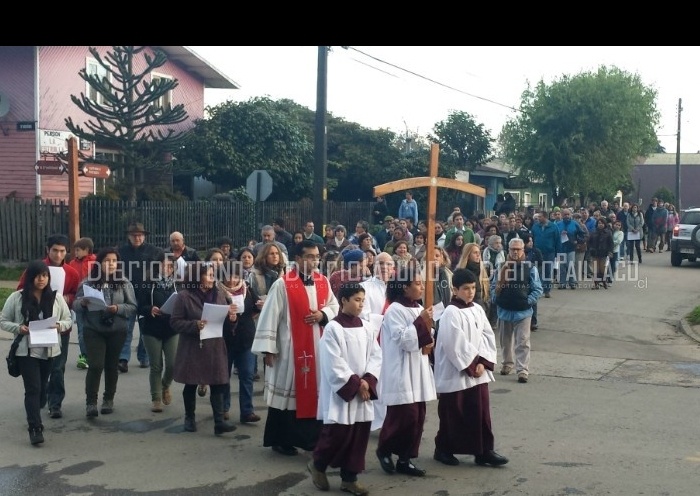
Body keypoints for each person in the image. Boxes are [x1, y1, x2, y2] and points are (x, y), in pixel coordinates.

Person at [251, 240, 340, 456]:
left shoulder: (322, 281)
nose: (315, 261)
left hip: (316, 348)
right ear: (298, 259)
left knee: (314, 392)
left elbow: (334, 306)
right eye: (309, 256)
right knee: (287, 396)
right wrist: (269, 349)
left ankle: (311, 439)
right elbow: (270, 316)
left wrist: (323, 315)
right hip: (289, 350)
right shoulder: (283, 284)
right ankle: (280, 439)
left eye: (317, 256)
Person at [308, 282, 382, 496]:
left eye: (363, 300)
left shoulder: (367, 327)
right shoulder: (333, 328)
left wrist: (368, 380)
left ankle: (350, 478)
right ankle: (318, 465)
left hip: (363, 391)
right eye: (357, 300)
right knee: (336, 434)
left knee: (359, 436)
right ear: (343, 301)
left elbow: (376, 355)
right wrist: (356, 384)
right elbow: (333, 362)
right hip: (343, 393)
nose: (361, 305)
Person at [432, 268, 508, 467]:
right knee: (454, 412)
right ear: (454, 289)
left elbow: (487, 335)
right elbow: (453, 343)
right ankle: (444, 449)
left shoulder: (477, 308)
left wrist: (483, 361)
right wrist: (473, 365)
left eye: (473, 288)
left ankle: (483, 450)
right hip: (457, 371)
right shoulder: (451, 313)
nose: (470, 292)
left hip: (478, 371)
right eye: (465, 289)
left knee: (481, 412)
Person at [1, 260, 72, 445]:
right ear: (30, 277)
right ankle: (35, 427)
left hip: (49, 350)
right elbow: (3, 320)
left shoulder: (56, 298)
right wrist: (19, 328)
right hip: (26, 351)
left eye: (45, 275)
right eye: (38, 276)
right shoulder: (17, 297)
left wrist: (59, 326)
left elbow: (68, 320)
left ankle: (40, 403)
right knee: (32, 389)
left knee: (41, 389)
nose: (41, 279)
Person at [375, 263, 436, 478]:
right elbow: (404, 340)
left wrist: (430, 340)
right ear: (404, 287)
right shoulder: (394, 310)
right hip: (401, 369)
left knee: (417, 416)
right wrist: (422, 322)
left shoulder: (419, 308)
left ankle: (405, 458)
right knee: (402, 416)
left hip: (418, 369)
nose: (422, 288)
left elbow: (426, 336)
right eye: (417, 284)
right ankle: (384, 449)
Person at [170, 261, 239, 435]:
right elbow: (175, 322)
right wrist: (195, 325)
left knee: (217, 383)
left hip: (214, 345)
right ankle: (189, 418)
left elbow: (227, 323)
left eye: (212, 275)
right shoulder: (184, 296)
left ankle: (219, 422)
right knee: (191, 383)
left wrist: (232, 319)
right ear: (197, 277)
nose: (212, 278)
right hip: (193, 347)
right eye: (208, 275)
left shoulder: (219, 294)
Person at [17, 234, 80, 420]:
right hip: (35, 326)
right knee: (40, 366)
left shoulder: (72, 273)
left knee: (58, 366)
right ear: (48, 250)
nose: (58, 254)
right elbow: (20, 290)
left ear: (67, 252)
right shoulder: (35, 269)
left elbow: (78, 295)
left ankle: (55, 403)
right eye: (55, 250)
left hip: (59, 327)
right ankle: (40, 395)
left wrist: (69, 299)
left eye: (62, 251)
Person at [74, 247, 138, 417]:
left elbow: (132, 307)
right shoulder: (88, 282)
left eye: (114, 261)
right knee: (95, 365)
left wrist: (117, 308)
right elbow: (75, 305)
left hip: (117, 330)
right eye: (107, 261)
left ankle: (108, 399)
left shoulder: (124, 283)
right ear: (99, 263)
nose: (111, 264)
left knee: (111, 366)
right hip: (93, 329)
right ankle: (91, 403)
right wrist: (83, 303)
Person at [490, 238, 543, 384]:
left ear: (522, 251)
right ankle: (507, 364)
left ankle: (522, 370)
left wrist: (527, 301)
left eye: (518, 249)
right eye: (512, 249)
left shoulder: (530, 268)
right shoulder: (501, 267)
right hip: (504, 310)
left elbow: (538, 289)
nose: (515, 252)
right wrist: (496, 298)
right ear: (508, 250)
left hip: (523, 312)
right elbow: (493, 286)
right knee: (505, 341)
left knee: (523, 342)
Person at [217, 261, 262, 423]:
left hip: (246, 339)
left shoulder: (247, 289)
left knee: (247, 375)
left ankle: (247, 411)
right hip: (224, 340)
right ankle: (223, 408)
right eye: (228, 275)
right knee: (223, 376)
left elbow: (256, 307)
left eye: (235, 275)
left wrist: (260, 306)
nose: (232, 280)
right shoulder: (217, 291)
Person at [135, 251, 179, 413]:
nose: (167, 268)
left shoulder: (178, 284)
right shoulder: (147, 283)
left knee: (173, 364)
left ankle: (165, 385)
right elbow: (139, 306)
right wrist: (149, 309)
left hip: (172, 329)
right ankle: (156, 399)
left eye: (170, 265)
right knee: (156, 366)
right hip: (151, 328)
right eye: (164, 264)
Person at [118, 222, 163, 372]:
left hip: (147, 294)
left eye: (140, 235)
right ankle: (123, 359)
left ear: (144, 236)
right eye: (134, 235)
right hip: (127, 293)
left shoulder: (155, 252)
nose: (137, 238)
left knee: (146, 327)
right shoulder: (121, 252)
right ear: (129, 237)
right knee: (126, 327)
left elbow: (160, 271)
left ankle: (145, 356)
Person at [67, 237, 96, 371]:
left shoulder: (95, 262)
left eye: (78, 250)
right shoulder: (72, 263)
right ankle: (84, 355)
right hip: (79, 299)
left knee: (94, 329)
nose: (76, 253)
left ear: (87, 250)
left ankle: (96, 354)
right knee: (81, 330)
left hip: (93, 299)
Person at [588, 217, 614, 290]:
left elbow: (611, 244)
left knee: (603, 269)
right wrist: (591, 249)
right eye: (599, 223)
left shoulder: (608, 232)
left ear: (604, 224)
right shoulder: (593, 232)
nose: (600, 225)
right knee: (596, 269)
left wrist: (610, 252)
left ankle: (604, 281)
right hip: (595, 253)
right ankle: (595, 283)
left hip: (604, 253)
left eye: (602, 223)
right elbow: (589, 242)